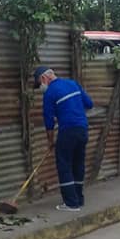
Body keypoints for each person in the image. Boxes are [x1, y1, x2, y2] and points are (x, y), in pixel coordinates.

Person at [33, 66, 94, 212]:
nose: (41, 87)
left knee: (64, 165)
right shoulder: (73, 84)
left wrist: (50, 141)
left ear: (43, 78)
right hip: (83, 130)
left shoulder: (50, 93)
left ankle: (71, 204)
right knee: (78, 164)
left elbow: (49, 121)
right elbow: (89, 104)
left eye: (39, 84)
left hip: (67, 131)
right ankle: (79, 199)